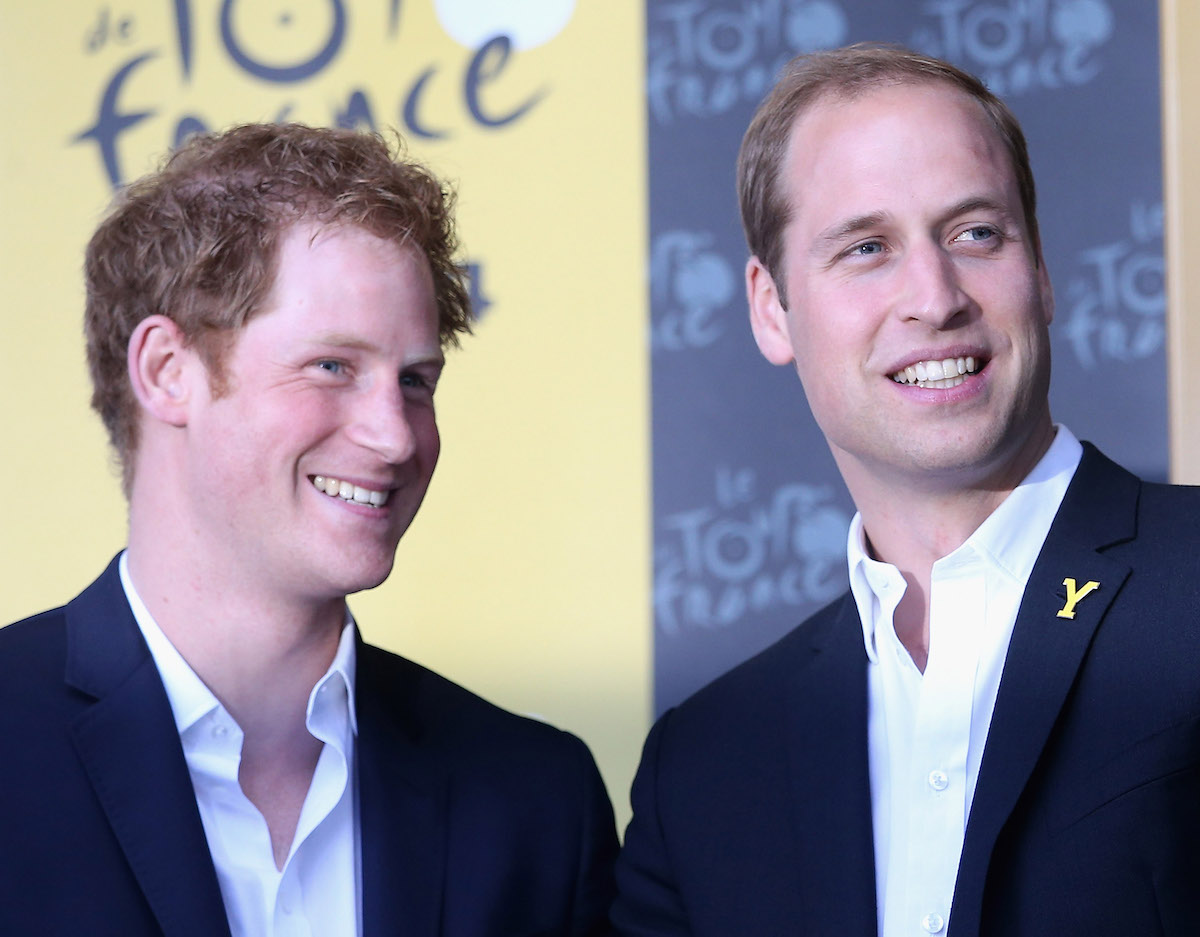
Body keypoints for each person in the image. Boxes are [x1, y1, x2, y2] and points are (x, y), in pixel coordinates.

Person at [612, 43, 1200, 936]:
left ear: (1040, 271)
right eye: (866, 247)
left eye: (975, 234)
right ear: (772, 309)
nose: (933, 296)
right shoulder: (703, 770)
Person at [0, 123, 617, 937]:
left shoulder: (537, 801)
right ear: (166, 371)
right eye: (333, 366)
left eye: (416, 380)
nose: (396, 436)